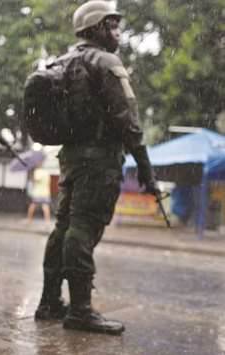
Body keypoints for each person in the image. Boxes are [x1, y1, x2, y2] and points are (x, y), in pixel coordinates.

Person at [32, 1, 157, 335]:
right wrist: (145, 167)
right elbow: (126, 119)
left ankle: (48, 301)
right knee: (83, 229)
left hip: (71, 159)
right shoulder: (105, 61)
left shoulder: (62, 61)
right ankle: (81, 311)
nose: (117, 33)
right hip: (99, 160)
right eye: (112, 26)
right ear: (96, 28)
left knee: (64, 227)